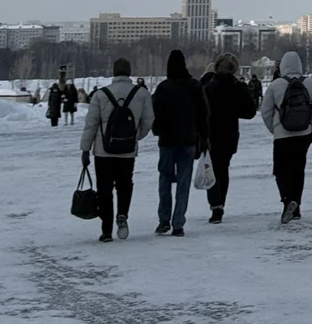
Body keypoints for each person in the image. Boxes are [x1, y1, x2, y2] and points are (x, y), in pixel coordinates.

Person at [80, 59, 154, 242]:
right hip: (127, 151)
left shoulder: (100, 94)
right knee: (125, 184)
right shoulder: (141, 93)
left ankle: (106, 230)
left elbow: (90, 125)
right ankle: (122, 215)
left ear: (114, 72)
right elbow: (148, 120)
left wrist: (85, 149)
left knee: (104, 189)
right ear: (129, 72)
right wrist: (136, 137)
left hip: (103, 152)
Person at [259, 51, 312, 224]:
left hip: (282, 135)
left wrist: (273, 129)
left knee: (281, 170)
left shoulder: (276, 84)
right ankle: (296, 208)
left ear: (283, 65)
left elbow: (265, 110)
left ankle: (286, 199)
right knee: (298, 170)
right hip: (303, 134)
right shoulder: (310, 83)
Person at [150, 49, 207, 237]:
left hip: (167, 141)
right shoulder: (195, 86)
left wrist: (157, 130)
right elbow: (203, 115)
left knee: (165, 178)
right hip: (188, 140)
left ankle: (164, 220)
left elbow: (154, 114)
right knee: (184, 182)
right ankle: (178, 222)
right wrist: (202, 140)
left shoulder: (163, 88)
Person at [200, 53, 256, 224]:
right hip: (229, 135)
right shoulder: (237, 87)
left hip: (210, 135)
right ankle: (220, 204)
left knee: (212, 169)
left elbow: (199, 112)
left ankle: (215, 205)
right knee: (223, 170)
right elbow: (249, 112)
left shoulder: (207, 87)